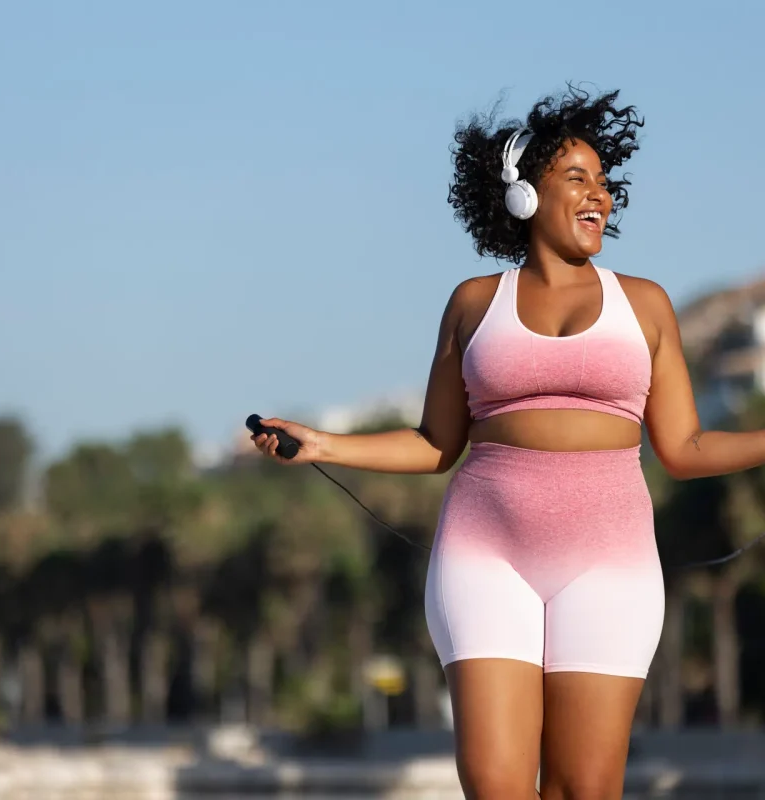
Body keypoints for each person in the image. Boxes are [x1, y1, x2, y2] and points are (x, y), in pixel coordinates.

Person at [250, 86, 765, 799]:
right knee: (495, 787)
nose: (600, 197)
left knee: (584, 789)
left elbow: (684, 447)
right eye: (577, 178)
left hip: (608, 563)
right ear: (524, 194)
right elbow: (436, 442)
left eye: (604, 181)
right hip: (484, 554)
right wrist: (324, 445)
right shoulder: (472, 303)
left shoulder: (644, 304)